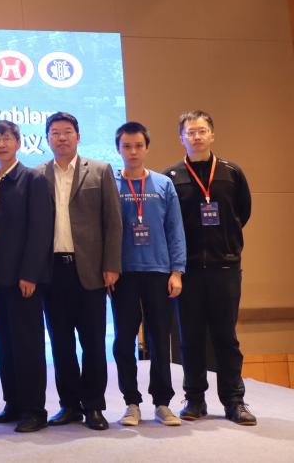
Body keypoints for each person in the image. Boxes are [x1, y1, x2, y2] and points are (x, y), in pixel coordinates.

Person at [165, 110, 256, 425]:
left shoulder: (231, 173)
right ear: (181, 138)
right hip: (188, 271)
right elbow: (169, 224)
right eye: (190, 132)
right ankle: (194, 399)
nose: (196, 137)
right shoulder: (171, 177)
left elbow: (243, 212)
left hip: (225, 268)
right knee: (190, 337)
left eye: (202, 131)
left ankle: (234, 401)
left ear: (212, 135)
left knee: (225, 337)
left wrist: (226, 244)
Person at [38, 112, 122, 431]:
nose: (61, 137)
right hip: (52, 272)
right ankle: (70, 405)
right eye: (55, 132)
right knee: (61, 343)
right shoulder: (37, 174)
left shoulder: (100, 171)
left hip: (89, 270)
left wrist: (111, 265)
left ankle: (94, 406)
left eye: (67, 131)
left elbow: (113, 222)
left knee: (93, 343)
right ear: (47, 138)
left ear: (78, 136)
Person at [113, 121, 186, 427]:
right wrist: (108, 269)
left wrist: (177, 271)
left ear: (147, 148)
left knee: (159, 339)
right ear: (119, 149)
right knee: (123, 341)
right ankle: (131, 403)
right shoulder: (111, 184)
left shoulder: (163, 184)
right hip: (123, 275)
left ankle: (162, 402)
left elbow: (175, 229)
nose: (133, 151)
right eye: (127, 146)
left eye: (138, 146)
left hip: (159, 272)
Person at [0, 120, 54, 433]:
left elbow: (41, 230)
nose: (1, 144)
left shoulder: (33, 179)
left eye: (6, 138)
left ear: (18, 143)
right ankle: (13, 403)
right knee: (4, 343)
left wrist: (30, 273)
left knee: (28, 345)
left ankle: (34, 410)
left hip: (23, 278)